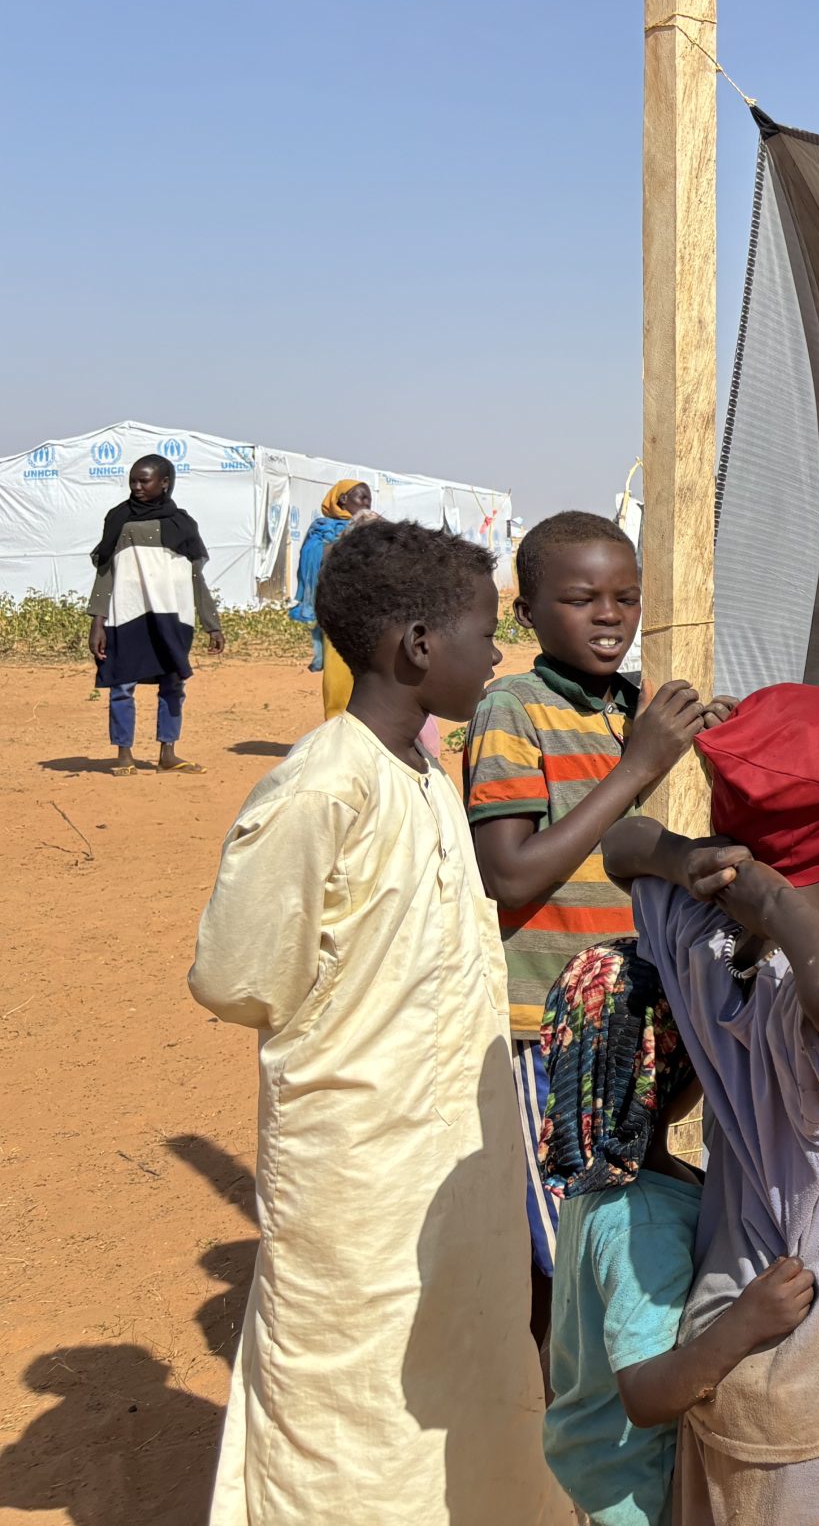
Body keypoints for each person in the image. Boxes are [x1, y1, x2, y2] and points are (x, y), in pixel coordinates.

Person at [188, 517, 568, 1524]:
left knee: (457, 1364)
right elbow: (236, 977)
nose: (499, 654)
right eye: (486, 632)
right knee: (345, 1391)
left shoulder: (422, 775)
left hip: (445, 1151)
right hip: (355, 1157)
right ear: (418, 645)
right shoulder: (322, 787)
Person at [602, 681, 819, 1525]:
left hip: (732, 1321)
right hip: (817, 1352)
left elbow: (624, 843)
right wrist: (770, 897)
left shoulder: (695, 929)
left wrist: (697, 861)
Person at [466, 508, 727, 1306]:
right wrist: (637, 766)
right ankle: (555, 1381)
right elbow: (509, 875)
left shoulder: (643, 709)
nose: (609, 616)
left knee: (632, 1222)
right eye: (582, 599)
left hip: (647, 1014)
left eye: (626, 598)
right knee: (568, 1242)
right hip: (550, 1023)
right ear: (527, 613)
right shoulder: (513, 708)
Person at [539, 941, 816, 1526]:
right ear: (675, 1069)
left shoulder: (592, 1182)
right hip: (641, 1492)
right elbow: (644, 1396)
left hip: (593, 1464)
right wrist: (748, 1321)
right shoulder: (644, 1220)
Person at [86, 453, 222, 774]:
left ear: (164, 483)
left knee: (173, 682)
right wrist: (98, 622)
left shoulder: (183, 524)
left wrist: (211, 623)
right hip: (127, 613)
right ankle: (124, 755)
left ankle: (168, 754)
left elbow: (195, 576)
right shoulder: (119, 519)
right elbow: (105, 572)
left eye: (143, 480)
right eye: (132, 480)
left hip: (172, 614)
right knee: (122, 684)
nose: (136, 486)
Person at [291, 478, 369, 715]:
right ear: (343, 499)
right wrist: (349, 535)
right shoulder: (322, 528)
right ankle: (337, 721)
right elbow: (313, 556)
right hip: (337, 611)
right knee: (339, 672)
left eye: (369, 499)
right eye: (362, 497)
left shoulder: (371, 529)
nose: (367, 503)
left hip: (368, 611)